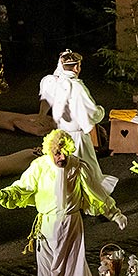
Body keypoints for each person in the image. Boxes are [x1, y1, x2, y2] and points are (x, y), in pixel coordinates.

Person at [0, 129, 128, 276]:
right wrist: (3, 194)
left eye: (64, 153)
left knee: (72, 271)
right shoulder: (40, 166)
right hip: (46, 225)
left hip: (70, 226)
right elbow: (23, 187)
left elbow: (95, 192)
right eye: (57, 153)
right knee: (46, 272)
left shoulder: (78, 166)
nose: (61, 158)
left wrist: (114, 213)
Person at [38, 49, 117, 192]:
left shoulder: (54, 82)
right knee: (87, 168)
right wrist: (100, 112)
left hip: (60, 135)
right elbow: (90, 111)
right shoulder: (77, 87)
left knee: (64, 168)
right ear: (76, 67)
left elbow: (45, 101)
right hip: (77, 137)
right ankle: (88, 197)